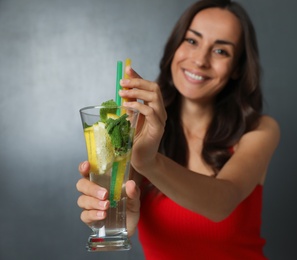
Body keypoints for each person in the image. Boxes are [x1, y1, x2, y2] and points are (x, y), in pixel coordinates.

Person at [76, 0, 280, 259]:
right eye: (192, 41)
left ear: (237, 68)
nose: (200, 60)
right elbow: (122, 209)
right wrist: (113, 215)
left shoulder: (260, 130)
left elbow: (222, 202)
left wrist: (149, 162)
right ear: (175, 47)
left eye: (220, 51)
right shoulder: (137, 127)